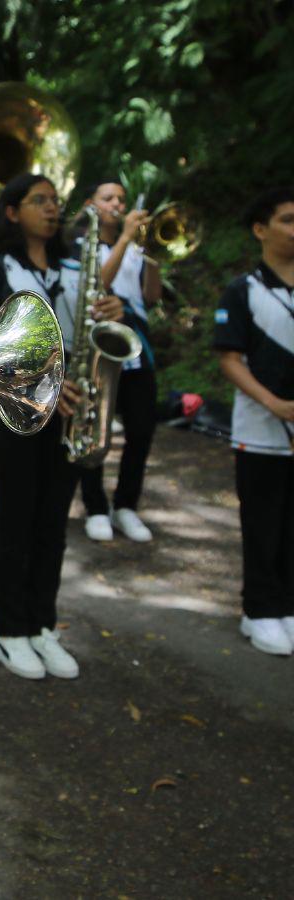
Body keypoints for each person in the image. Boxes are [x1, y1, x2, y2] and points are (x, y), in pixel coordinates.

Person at [0, 173, 125, 681]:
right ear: (12, 212)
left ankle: (42, 625)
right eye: (39, 201)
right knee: (14, 523)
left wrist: (113, 314)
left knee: (52, 525)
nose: (53, 209)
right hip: (10, 416)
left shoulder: (80, 269)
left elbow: (95, 334)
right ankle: (9, 632)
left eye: (55, 200)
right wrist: (44, 390)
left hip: (70, 414)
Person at [212, 186, 294, 656]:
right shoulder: (243, 290)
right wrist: (275, 403)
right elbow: (229, 358)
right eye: (287, 219)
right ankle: (259, 610)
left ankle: (285, 605)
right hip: (259, 433)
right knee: (262, 522)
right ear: (260, 230)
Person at [77, 179, 162, 543]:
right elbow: (96, 283)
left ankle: (126, 505)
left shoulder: (137, 248)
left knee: (141, 430)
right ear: (91, 204)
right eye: (108, 197)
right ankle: (95, 507)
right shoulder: (80, 245)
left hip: (135, 348)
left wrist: (155, 254)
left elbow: (151, 296)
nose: (117, 204)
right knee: (94, 429)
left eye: (122, 200)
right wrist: (126, 239)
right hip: (98, 350)